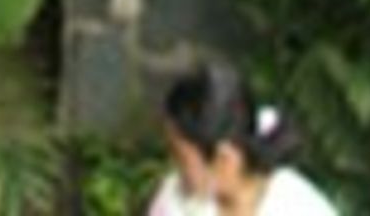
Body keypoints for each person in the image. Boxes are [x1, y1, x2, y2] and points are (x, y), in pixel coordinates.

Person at [143, 55, 340, 215]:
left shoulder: (297, 207)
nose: (175, 167)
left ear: (224, 159)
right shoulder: (175, 201)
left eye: (181, 157)